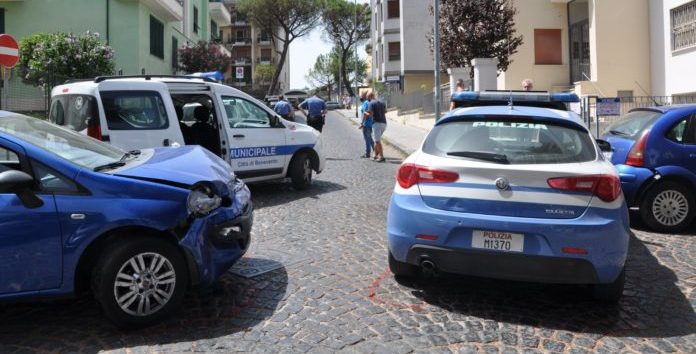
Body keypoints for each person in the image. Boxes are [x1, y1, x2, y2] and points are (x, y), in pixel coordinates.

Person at [364, 92, 387, 162]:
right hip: (384, 123)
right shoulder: (382, 102)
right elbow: (385, 111)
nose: (367, 99)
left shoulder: (371, 103)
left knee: (377, 141)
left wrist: (365, 113)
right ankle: (375, 155)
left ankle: (382, 157)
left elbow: (371, 114)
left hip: (376, 123)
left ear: (370, 97)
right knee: (377, 140)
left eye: (367, 98)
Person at [357, 92, 374, 158]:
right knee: (370, 138)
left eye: (362, 95)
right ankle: (375, 151)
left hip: (366, 123)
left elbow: (365, 114)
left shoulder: (366, 103)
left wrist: (362, 123)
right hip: (370, 123)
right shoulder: (369, 103)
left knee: (367, 139)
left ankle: (368, 153)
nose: (360, 96)